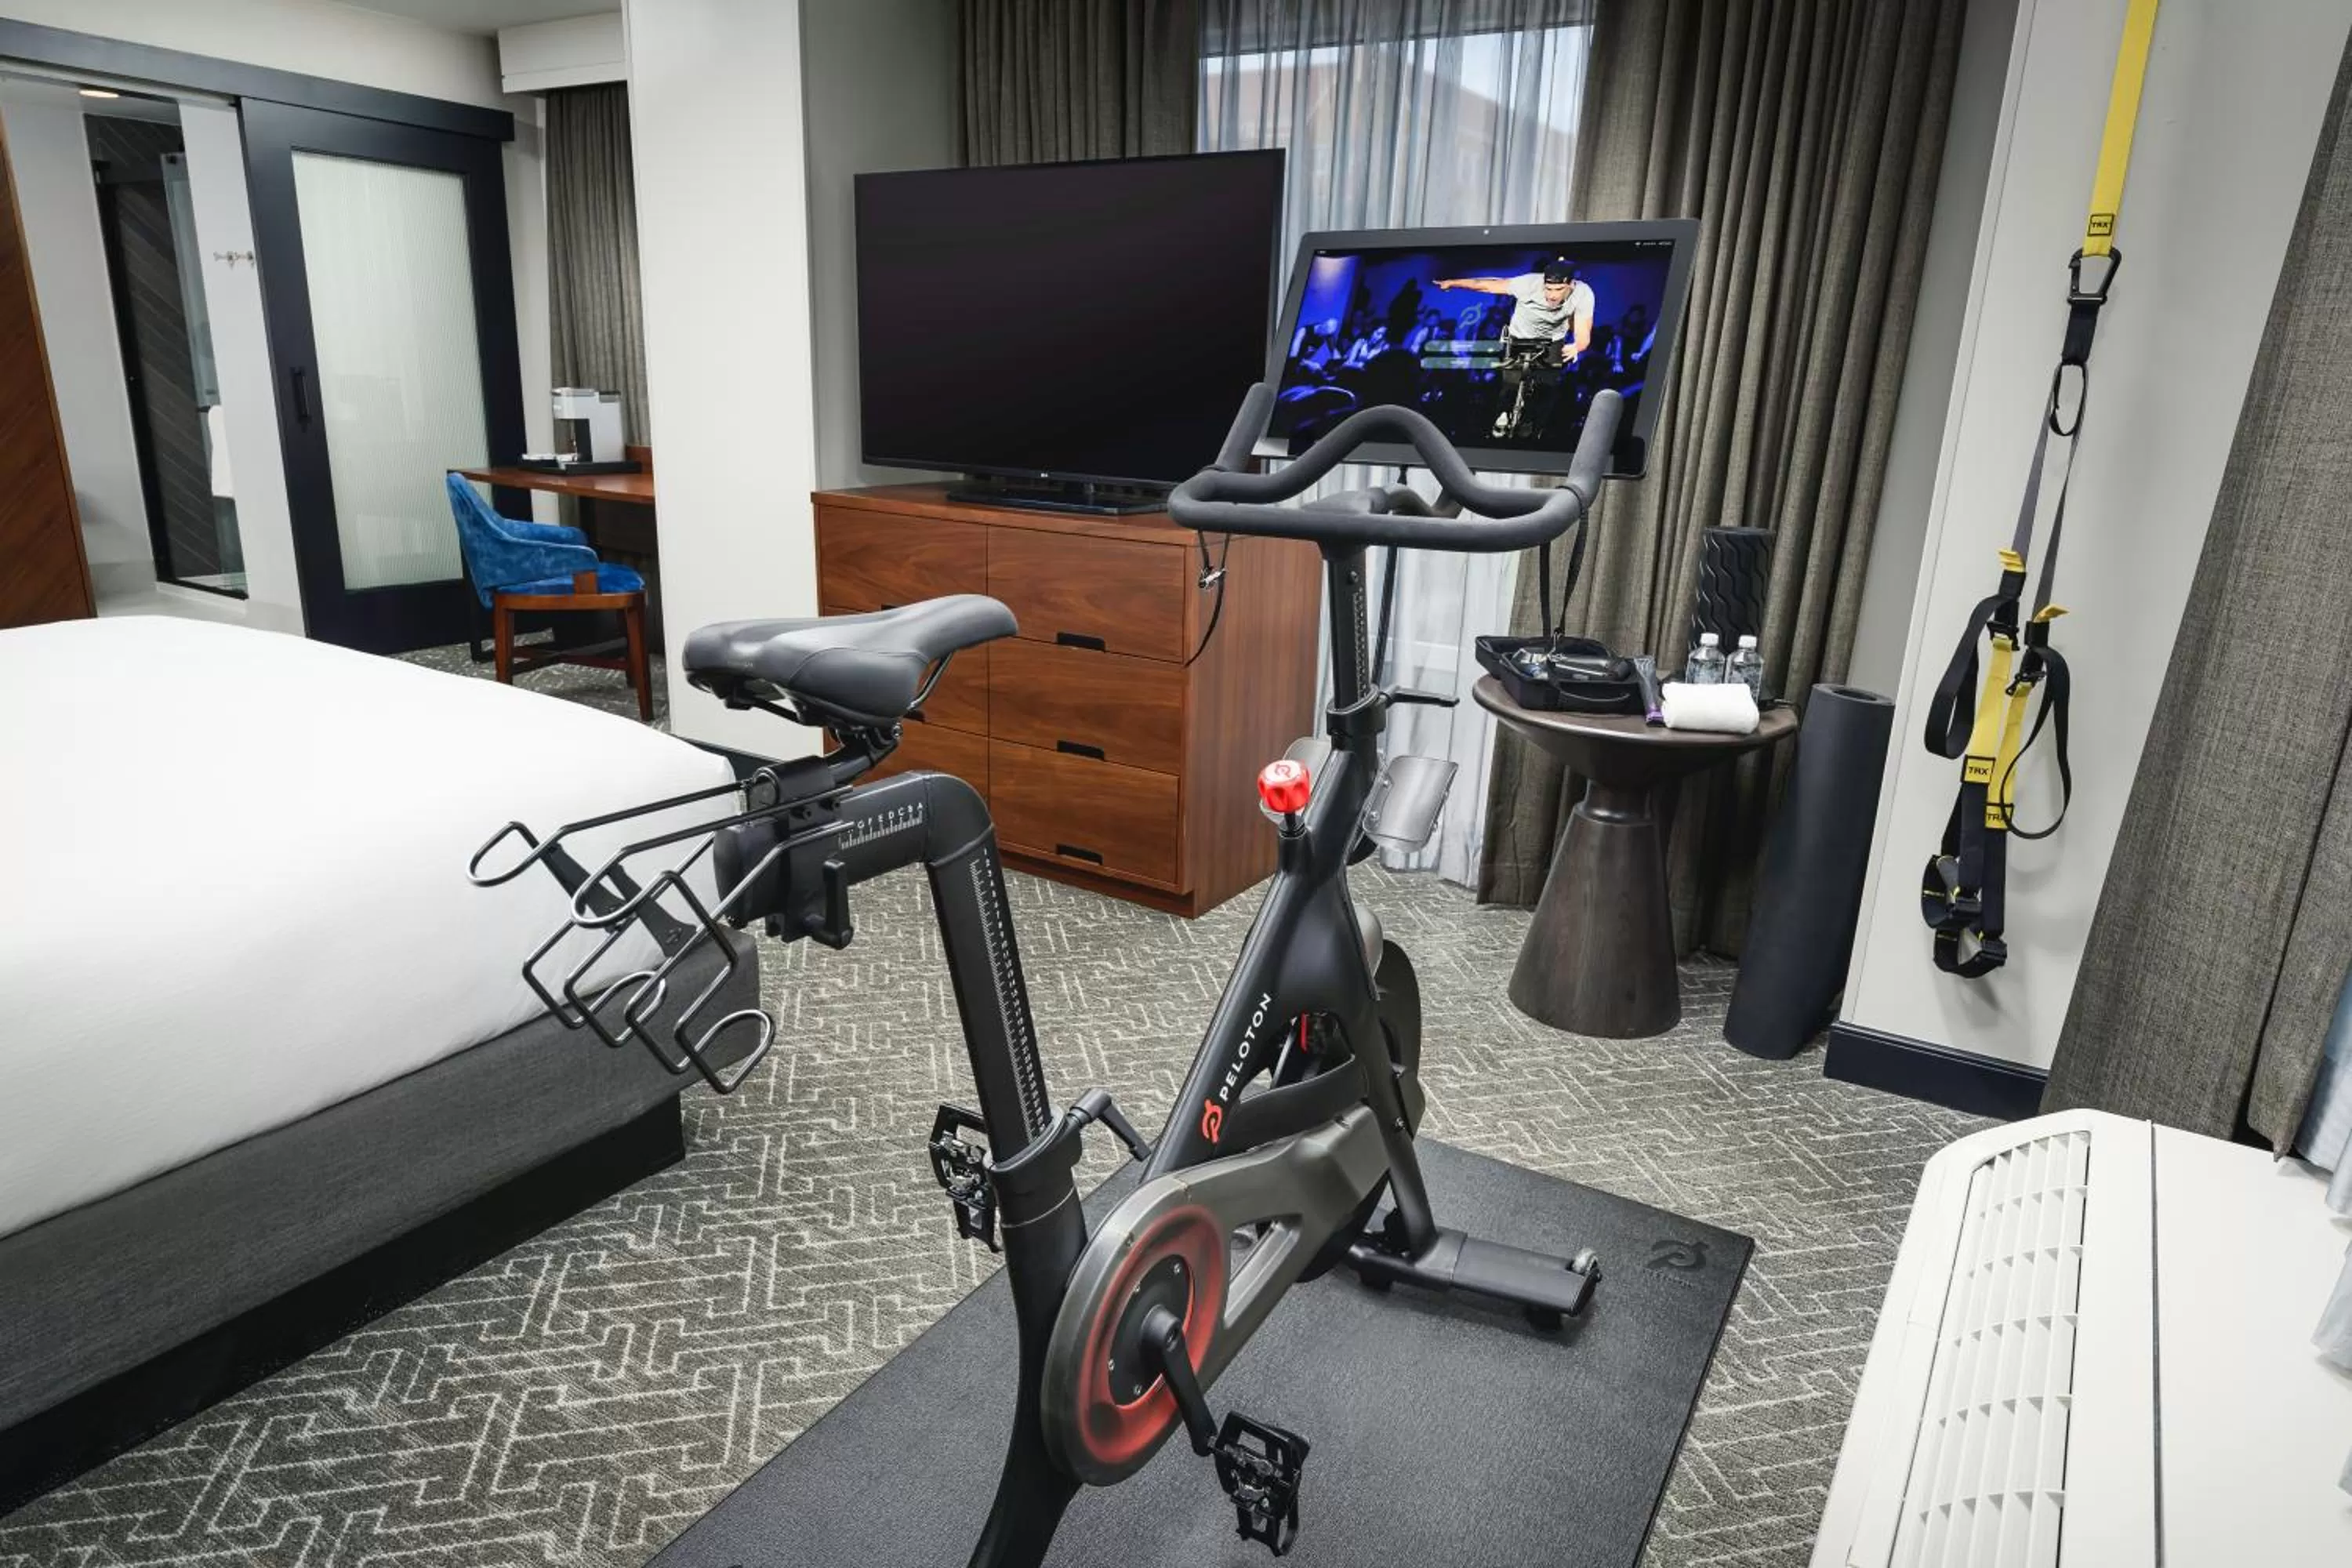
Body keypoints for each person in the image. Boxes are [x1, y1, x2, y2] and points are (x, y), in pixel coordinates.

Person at [1437, 258, 1595, 437]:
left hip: (1552, 341)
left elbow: (1583, 333)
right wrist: (1452, 283)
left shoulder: (1583, 294)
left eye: (1558, 290)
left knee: (1547, 387)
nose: (1552, 296)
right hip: (1520, 337)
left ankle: (1531, 424)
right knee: (1511, 383)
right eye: (1548, 289)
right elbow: (1485, 285)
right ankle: (1503, 413)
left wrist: (1576, 347)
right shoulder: (1528, 284)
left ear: (1572, 285)